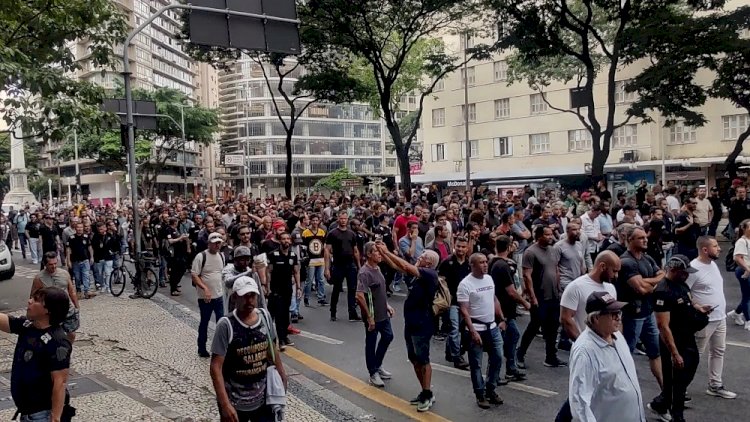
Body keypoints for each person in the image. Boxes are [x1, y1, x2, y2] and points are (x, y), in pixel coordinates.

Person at [210, 277, 287, 422]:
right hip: (235, 402)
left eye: (252, 295)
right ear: (234, 297)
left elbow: (272, 350)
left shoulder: (264, 316)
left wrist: (282, 376)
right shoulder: (226, 325)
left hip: (263, 400)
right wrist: (225, 404)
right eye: (244, 296)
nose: (249, 300)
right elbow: (215, 367)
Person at [377, 245, 440, 412]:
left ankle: (427, 394)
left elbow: (405, 266)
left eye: (423, 256)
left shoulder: (429, 274)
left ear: (429, 262)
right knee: (414, 358)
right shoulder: (417, 275)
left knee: (423, 359)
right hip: (411, 322)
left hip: (422, 323)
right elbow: (396, 266)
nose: (419, 257)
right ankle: (425, 391)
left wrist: (387, 251)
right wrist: (384, 253)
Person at [650, 255, 712, 422]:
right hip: (673, 341)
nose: (687, 275)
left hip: (687, 337)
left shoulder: (682, 284)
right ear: (673, 270)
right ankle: (677, 416)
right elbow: (663, 326)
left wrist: (699, 308)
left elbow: (689, 301)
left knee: (688, 373)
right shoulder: (663, 291)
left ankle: (661, 403)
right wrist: (675, 353)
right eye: (684, 272)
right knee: (676, 383)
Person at [568, 291, 646, 422]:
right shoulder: (585, 352)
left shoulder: (617, 336)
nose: (618, 317)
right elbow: (580, 403)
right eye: (613, 314)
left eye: (619, 312)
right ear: (595, 318)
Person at [0, 287, 74, 422]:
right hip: (27, 412)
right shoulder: (28, 326)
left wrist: (55, 418)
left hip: (42, 415)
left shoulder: (58, 341)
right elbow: (4, 321)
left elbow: (60, 382)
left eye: (36, 300)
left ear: (47, 310)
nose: (29, 301)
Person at [687, 236, 737, 399]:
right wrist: (697, 307)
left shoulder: (713, 264)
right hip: (703, 320)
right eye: (715, 246)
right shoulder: (693, 268)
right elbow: (684, 292)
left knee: (718, 351)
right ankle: (680, 388)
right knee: (694, 355)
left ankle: (715, 385)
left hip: (719, 318)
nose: (720, 249)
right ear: (705, 250)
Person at [616, 227, 664, 393]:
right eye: (640, 238)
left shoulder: (647, 258)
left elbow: (662, 276)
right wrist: (653, 284)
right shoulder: (626, 262)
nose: (646, 240)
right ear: (630, 240)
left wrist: (647, 281)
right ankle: (623, 390)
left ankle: (666, 389)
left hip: (648, 312)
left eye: (645, 237)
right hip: (632, 315)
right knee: (625, 353)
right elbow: (641, 290)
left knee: (655, 352)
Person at [458, 253, 507, 409]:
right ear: (472, 265)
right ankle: (480, 394)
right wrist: (472, 331)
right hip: (476, 328)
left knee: (498, 357)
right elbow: (464, 310)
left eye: (486, 262)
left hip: (492, 327)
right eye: (481, 262)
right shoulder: (465, 284)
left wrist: (502, 319)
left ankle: (490, 389)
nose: (485, 265)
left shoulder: (489, 279)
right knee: (476, 364)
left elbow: (494, 299)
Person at [518, 226, 566, 368]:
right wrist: (532, 297)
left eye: (551, 234)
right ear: (539, 236)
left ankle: (551, 357)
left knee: (553, 327)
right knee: (534, 326)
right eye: (547, 235)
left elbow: (556, 269)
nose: (551, 237)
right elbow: (527, 276)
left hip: (553, 296)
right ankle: (520, 354)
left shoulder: (552, 250)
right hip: (539, 296)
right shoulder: (530, 252)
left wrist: (559, 289)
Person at [355, 242, 395, 388]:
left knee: (388, 336)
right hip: (372, 314)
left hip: (383, 313)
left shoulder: (378, 268)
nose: (380, 254)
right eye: (377, 252)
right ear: (369, 254)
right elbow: (359, 295)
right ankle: (373, 372)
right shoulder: (365, 272)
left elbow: (379, 291)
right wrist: (369, 317)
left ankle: (377, 365)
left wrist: (387, 305)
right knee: (371, 342)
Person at [490, 235, 529, 382]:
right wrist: (525, 303)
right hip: (503, 309)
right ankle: (497, 375)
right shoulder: (502, 266)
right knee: (502, 341)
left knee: (512, 336)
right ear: (509, 247)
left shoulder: (496, 262)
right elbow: (511, 291)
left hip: (504, 308)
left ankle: (511, 369)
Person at [31, 251, 80, 343]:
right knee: (53, 335)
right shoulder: (39, 278)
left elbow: (71, 291)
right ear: (45, 264)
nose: (53, 266)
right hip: (51, 312)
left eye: (55, 264)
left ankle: (67, 348)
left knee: (72, 334)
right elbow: (33, 296)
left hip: (67, 310)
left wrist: (77, 307)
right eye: (50, 264)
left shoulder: (64, 274)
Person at [438, 236, 471, 369]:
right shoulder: (447, 262)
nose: (460, 249)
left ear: (467, 248)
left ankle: (449, 352)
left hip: (465, 302)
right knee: (454, 329)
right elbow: (441, 281)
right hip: (451, 301)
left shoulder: (469, 264)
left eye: (463, 247)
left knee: (460, 329)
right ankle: (457, 357)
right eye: (458, 246)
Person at [192, 232, 227, 358]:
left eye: (219, 243)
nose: (217, 245)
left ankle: (220, 348)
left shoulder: (221, 256)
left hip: (218, 295)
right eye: (215, 243)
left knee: (221, 322)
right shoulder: (201, 256)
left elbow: (221, 273)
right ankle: (202, 347)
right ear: (209, 243)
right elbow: (195, 275)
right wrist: (205, 288)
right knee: (204, 322)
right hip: (205, 298)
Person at [325, 211, 361, 322]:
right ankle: (333, 312)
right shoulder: (332, 233)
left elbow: (355, 251)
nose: (343, 220)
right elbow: (327, 250)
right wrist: (327, 268)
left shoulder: (352, 234)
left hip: (350, 265)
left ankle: (352, 313)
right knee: (336, 289)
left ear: (347, 220)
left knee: (352, 289)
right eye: (341, 218)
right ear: (338, 219)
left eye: (345, 218)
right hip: (338, 265)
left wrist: (359, 266)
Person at [266, 232, 301, 349]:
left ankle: (285, 336)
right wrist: (267, 287)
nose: (286, 241)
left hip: (288, 289)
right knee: (278, 315)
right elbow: (268, 272)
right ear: (280, 241)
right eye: (283, 239)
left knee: (286, 314)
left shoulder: (292, 255)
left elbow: (296, 272)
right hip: (276, 289)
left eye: (288, 239)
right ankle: (280, 340)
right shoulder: (273, 255)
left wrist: (298, 288)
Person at [728, 218, 750, 330]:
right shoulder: (742, 241)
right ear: (744, 229)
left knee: (748, 295)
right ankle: (748, 321)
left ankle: (736, 313)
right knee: (747, 296)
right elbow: (737, 258)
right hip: (743, 271)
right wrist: (747, 269)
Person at [65, 222, 96, 299]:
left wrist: (92, 257)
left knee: (86, 275)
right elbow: (68, 250)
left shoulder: (86, 237)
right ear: (75, 229)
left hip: (85, 260)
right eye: (78, 227)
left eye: (81, 227)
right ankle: (78, 290)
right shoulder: (71, 238)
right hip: (75, 261)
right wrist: (68, 261)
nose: (80, 229)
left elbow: (90, 247)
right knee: (77, 277)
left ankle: (87, 291)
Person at [301, 214, 327, 306]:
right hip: (310, 259)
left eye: (317, 220)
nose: (315, 222)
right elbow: (303, 247)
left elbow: (324, 246)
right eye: (313, 220)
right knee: (309, 280)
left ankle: (321, 297)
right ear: (310, 221)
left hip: (320, 258)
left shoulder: (322, 232)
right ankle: (306, 297)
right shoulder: (305, 233)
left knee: (321, 279)